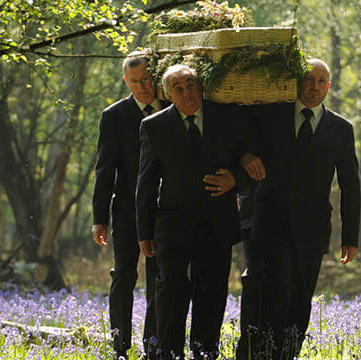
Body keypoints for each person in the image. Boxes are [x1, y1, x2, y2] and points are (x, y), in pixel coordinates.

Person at [136, 64, 264, 360]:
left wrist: (235, 178)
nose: (187, 92)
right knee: (170, 293)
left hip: (217, 223)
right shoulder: (154, 126)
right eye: (178, 88)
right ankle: (167, 353)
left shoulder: (227, 118)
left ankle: (205, 351)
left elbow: (254, 159)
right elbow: (146, 183)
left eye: (191, 85)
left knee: (212, 292)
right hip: (172, 225)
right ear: (168, 94)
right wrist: (144, 232)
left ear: (201, 87)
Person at [237, 59, 361, 360]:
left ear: (328, 87)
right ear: (297, 82)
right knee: (272, 289)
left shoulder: (341, 129)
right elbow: (238, 140)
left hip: (312, 228)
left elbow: (350, 185)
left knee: (301, 295)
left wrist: (350, 237)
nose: (314, 87)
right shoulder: (269, 115)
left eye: (321, 81)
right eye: (308, 79)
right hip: (267, 221)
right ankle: (255, 352)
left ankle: (287, 354)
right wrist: (245, 156)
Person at [91, 50, 166, 360]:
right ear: (126, 82)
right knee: (124, 275)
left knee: (159, 278)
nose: (142, 87)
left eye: (147, 79)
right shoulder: (114, 116)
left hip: (165, 210)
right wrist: (99, 218)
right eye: (135, 82)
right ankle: (120, 346)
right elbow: (104, 169)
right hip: (126, 210)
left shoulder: (173, 107)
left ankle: (154, 345)